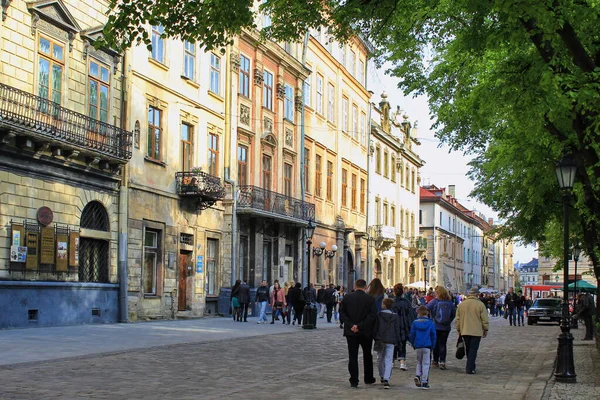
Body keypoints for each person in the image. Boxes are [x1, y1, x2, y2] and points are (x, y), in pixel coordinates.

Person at [339, 279, 377, 388]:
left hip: (350, 332)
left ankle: (354, 380)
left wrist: (352, 325)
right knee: (367, 355)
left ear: (355, 286)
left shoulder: (347, 297)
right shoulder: (370, 299)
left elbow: (342, 313)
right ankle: (368, 378)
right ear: (365, 287)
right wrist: (360, 326)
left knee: (353, 356)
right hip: (365, 331)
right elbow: (372, 315)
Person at [456, 287, 489, 374]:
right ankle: (470, 367)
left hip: (465, 330)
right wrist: (485, 328)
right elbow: (484, 319)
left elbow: (458, 319)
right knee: (473, 349)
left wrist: (458, 329)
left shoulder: (462, 304)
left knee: (468, 349)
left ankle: (470, 365)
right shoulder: (480, 305)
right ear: (477, 294)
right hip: (476, 331)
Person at [374, 298, 401, 389]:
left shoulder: (379, 315)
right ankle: (386, 378)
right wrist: (397, 339)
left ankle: (382, 375)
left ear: (384, 305)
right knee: (388, 359)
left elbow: (376, 327)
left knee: (380, 359)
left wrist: (375, 337)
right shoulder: (395, 316)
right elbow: (397, 329)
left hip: (380, 339)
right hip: (391, 339)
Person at [426, 286, 456, 370]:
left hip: (435, 325)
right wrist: (449, 321)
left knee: (435, 344)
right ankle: (442, 361)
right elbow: (454, 314)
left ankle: (435, 361)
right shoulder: (450, 303)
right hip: (446, 327)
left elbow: (426, 308)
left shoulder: (434, 302)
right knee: (443, 344)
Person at [409, 305, 436, 389]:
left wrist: (413, 343)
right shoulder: (430, 323)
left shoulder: (415, 323)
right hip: (427, 345)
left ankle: (417, 375)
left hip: (418, 345)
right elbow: (433, 335)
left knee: (419, 362)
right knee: (426, 363)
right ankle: (424, 381)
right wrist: (433, 346)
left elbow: (412, 334)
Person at [391, 283, 415, 371]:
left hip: (393, 326)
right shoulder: (406, 302)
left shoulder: (391, 302)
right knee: (402, 343)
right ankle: (402, 362)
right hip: (403, 325)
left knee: (394, 344)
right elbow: (411, 315)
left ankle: (392, 361)